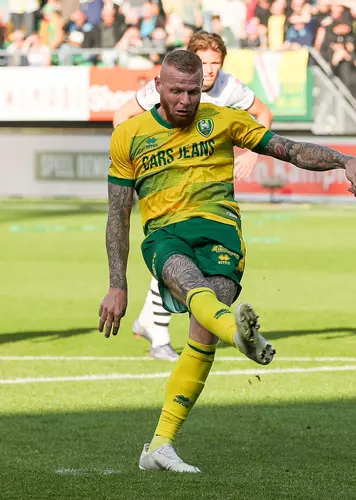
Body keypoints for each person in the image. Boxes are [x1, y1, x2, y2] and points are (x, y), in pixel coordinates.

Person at [98, 50, 356, 473]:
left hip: (222, 236)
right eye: (177, 91)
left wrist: (344, 159)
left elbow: (289, 149)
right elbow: (118, 214)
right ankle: (240, 335)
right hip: (166, 236)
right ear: (158, 86)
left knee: (202, 337)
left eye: (193, 90)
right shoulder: (129, 135)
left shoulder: (224, 119)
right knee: (193, 289)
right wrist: (118, 283)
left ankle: (159, 446)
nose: (186, 100)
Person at [113, 31, 274, 361]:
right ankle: (158, 331)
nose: (210, 69)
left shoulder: (230, 88)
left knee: (184, 260)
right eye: (203, 62)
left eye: (215, 63)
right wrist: (135, 157)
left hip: (207, 186)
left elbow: (264, 114)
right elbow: (121, 115)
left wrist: (252, 154)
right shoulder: (164, 87)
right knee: (177, 255)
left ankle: (152, 324)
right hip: (169, 181)